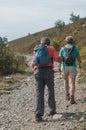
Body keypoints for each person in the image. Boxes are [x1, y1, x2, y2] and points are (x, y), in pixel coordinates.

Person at [32, 37, 60, 122]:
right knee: (50, 90)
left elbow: (33, 63)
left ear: (41, 43)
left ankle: (38, 114)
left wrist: (36, 69)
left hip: (38, 71)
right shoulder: (51, 48)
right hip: (48, 71)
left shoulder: (36, 49)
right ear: (49, 42)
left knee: (39, 92)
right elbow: (57, 58)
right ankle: (52, 110)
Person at [59, 36, 81, 104]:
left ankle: (67, 94)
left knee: (66, 81)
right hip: (72, 66)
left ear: (66, 41)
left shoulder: (62, 48)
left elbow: (60, 58)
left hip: (64, 66)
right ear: (72, 41)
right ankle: (72, 98)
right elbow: (78, 58)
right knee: (72, 83)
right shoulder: (75, 48)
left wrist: (59, 66)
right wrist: (80, 62)